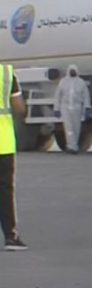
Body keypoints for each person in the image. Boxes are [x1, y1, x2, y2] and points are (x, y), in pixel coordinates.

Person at [0, 61, 27, 251]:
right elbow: (19, 108)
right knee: (5, 191)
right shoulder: (7, 74)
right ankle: (11, 236)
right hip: (4, 142)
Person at [52, 65, 91, 155]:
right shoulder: (63, 82)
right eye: (71, 70)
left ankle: (74, 145)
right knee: (68, 127)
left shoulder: (81, 82)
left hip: (77, 107)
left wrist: (87, 108)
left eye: (74, 70)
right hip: (65, 106)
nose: (72, 72)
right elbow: (58, 96)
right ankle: (71, 146)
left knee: (76, 127)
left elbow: (86, 96)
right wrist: (56, 108)